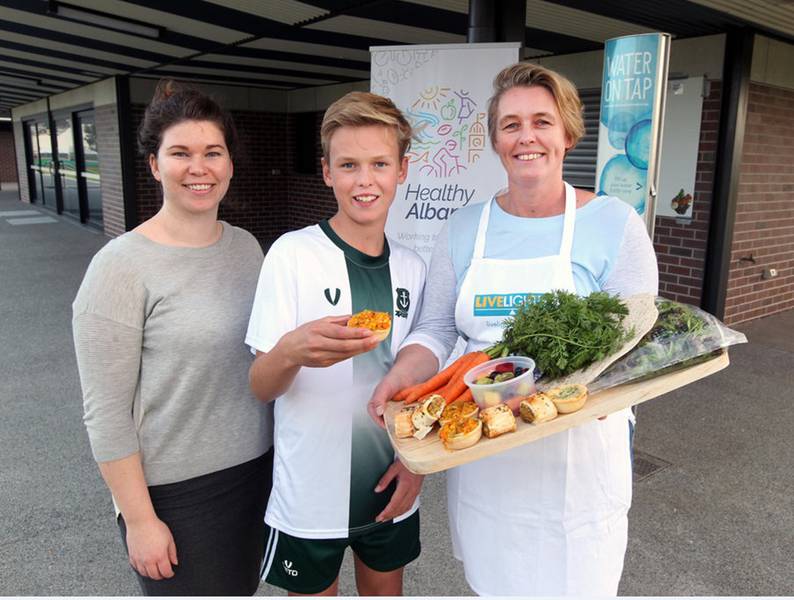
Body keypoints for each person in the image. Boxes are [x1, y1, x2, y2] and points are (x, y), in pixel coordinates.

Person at [368, 63, 659, 596]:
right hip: (483, 455)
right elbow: (433, 330)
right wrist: (401, 381)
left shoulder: (615, 223)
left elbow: (633, 347)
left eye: (542, 122)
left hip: (577, 458)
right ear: (495, 141)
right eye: (511, 124)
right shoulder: (463, 227)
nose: (527, 137)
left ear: (568, 133)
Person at [72, 80, 273, 596]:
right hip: (175, 494)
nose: (198, 167)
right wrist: (139, 520)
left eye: (212, 152)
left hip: (257, 474)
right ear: (155, 165)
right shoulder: (119, 268)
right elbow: (106, 412)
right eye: (180, 153)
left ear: (229, 163)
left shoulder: (248, 249)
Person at [246, 91, 426, 596]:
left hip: (392, 488)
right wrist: (291, 352)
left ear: (402, 170)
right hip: (309, 500)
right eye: (348, 164)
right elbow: (261, 386)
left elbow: (421, 387)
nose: (364, 179)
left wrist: (417, 467)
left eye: (379, 163)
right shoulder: (293, 254)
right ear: (326, 172)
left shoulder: (413, 266)